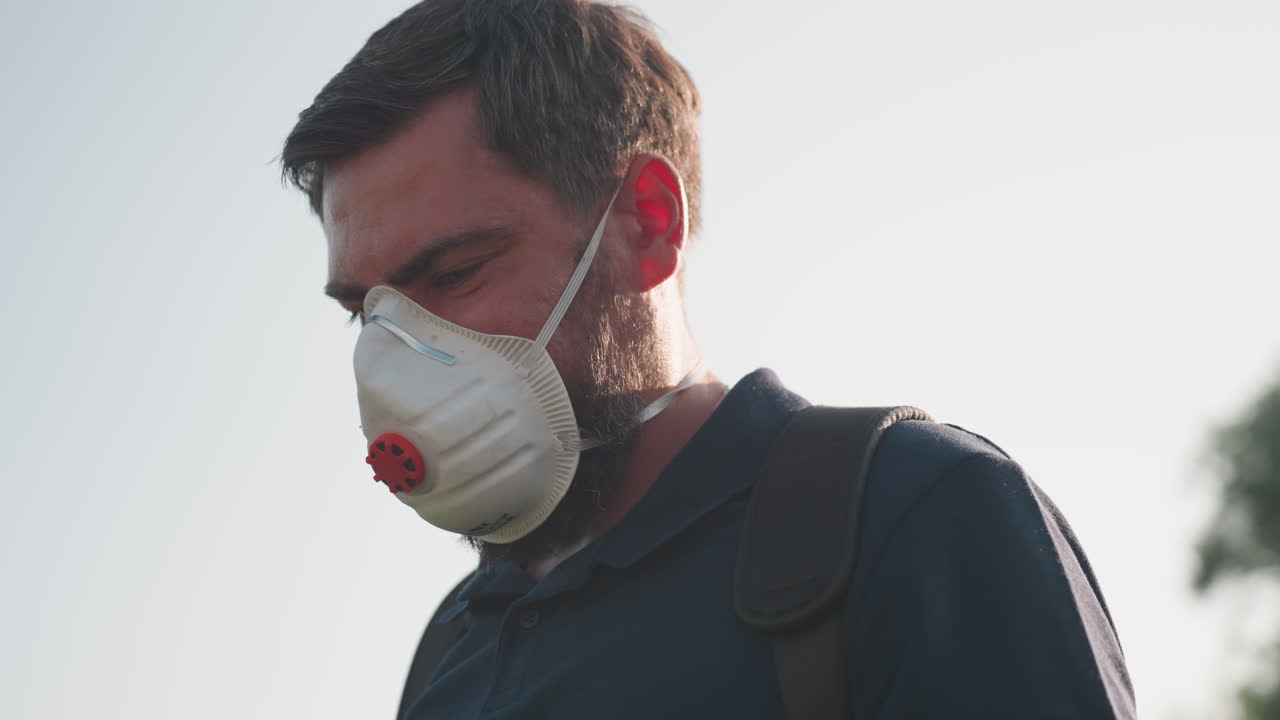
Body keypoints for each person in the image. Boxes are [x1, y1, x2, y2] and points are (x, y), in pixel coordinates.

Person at [281, 1, 1135, 717]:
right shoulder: (449, 649)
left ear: (649, 223)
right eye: (367, 312)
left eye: (457, 272)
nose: (395, 367)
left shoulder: (912, 518)